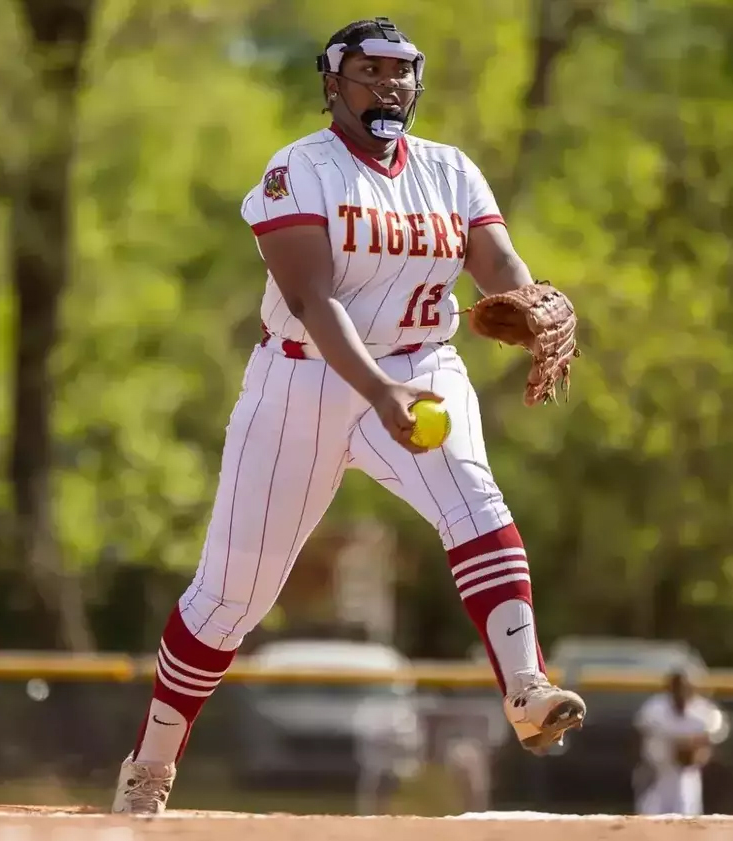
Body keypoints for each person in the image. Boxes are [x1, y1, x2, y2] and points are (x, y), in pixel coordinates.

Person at [110, 16, 586, 815]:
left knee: (476, 502)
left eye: (401, 71)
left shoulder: (450, 170)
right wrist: (376, 392)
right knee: (229, 601)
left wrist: (537, 298)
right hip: (301, 381)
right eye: (368, 71)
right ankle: (150, 765)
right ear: (331, 83)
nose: (389, 85)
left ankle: (528, 687)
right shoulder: (298, 170)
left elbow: (497, 263)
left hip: (423, 363)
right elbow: (309, 298)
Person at [632, 669, 730, 817]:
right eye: (676, 687)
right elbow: (641, 729)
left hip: (689, 773)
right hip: (657, 773)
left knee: (687, 815)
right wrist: (680, 744)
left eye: (684, 687)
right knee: (648, 816)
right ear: (669, 689)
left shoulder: (703, 710)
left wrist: (696, 745)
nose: (680, 691)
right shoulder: (655, 708)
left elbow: (717, 730)